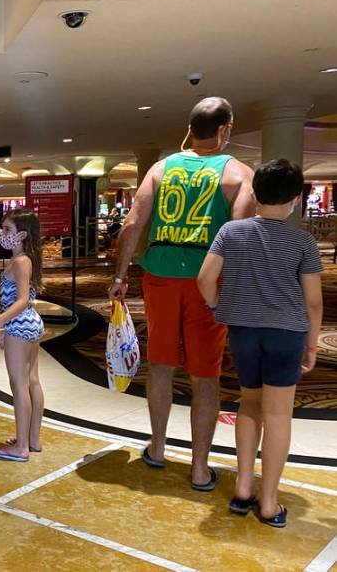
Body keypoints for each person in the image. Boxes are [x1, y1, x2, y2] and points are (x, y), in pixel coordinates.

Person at [108, 97, 255, 491]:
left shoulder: (161, 168)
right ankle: (200, 468)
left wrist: (120, 275)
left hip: (159, 276)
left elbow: (132, 224)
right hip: (208, 281)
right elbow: (240, 236)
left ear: (191, 127)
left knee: (161, 363)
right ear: (225, 128)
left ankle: (157, 447)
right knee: (205, 373)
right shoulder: (239, 174)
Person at [197, 159, 322, 528]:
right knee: (278, 414)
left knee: (248, 403)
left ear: (254, 194)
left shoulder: (230, 232)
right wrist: (312, 346)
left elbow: (205, 279)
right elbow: (313, 302)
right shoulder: (302, 241)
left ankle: (241, 488)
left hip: (243, 331)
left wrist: (218, 305)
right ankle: (269, 503)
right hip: (286, 334)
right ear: (295, 200)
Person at [0, 209, 46, 461]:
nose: (2, 234)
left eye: (8, 230)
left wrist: (1, 321)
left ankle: (21, 448)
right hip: (29, 324)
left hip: (19, 324)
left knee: (19, 385)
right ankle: (32, 439)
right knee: (32, 381)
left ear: (22, 235)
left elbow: (21, 300)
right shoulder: (24, 260)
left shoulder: (20, 262)